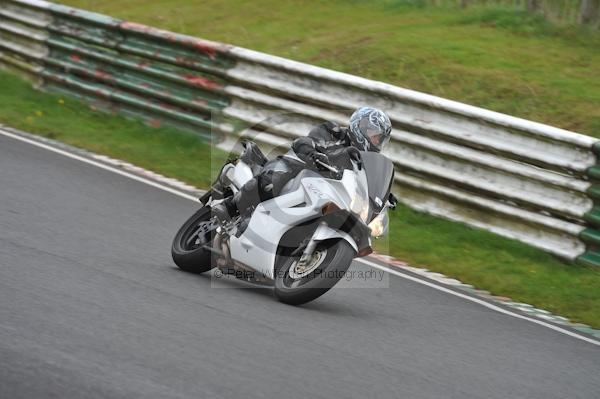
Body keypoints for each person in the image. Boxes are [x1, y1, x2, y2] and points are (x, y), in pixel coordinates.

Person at [211, 106, 392, 222]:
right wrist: (314, 153)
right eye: (374, 135)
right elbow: (306, 140)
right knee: (271, 181)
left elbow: (365, 181)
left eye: (379, 139)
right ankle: (229, 207)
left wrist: (382, 196)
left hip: (323, 192)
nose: (376, 142)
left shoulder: (363, 162)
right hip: (301, 167)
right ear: (359, 126)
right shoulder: (334, 132)